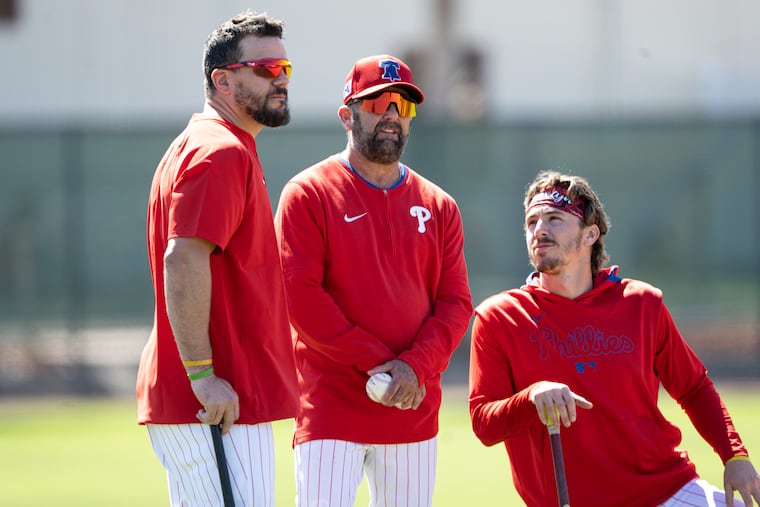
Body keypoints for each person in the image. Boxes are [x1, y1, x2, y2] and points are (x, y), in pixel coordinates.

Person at [468, 170, 760, 506]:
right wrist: (531, 398)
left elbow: (694, 388)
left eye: (554, 218)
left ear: (590, 234)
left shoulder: (641, 303)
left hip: (665, 491)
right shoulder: (498, 317)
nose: (540, 230)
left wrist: (734, 456)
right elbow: (484, 423)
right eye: (531, 221)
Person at [274, 54, 473, 507]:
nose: (391, 115)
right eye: (378, 102)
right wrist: (386, 365)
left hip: (411, 408)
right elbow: (301, 299)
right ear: (347, 115)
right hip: (332, 408)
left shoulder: (439, 205)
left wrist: (414, 368)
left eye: (403, 107)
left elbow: (456, 303)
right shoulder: (308, 193)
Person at [136, 10, 299, 507]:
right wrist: (203, 375)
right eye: (265, 69)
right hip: (214, 402)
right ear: (223, 80)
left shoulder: (218, 145)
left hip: (216, 400)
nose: (281, 80)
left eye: (285, 70)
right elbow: (181, 259)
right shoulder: (218, 150)